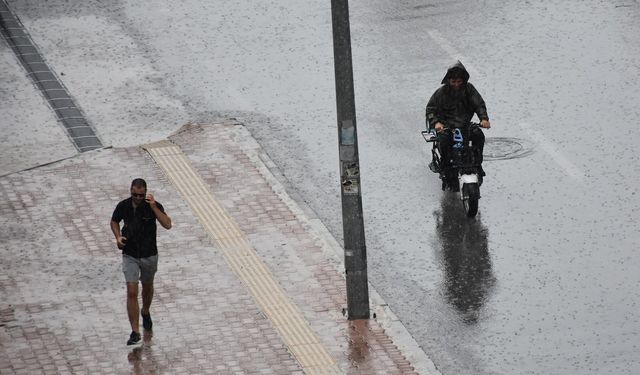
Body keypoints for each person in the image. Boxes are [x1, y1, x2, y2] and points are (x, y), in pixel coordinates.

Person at [110, 178, 172, 346]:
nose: (137, 198)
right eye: (134, 194)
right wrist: (117, 237)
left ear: (145, 193)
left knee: (147, 287)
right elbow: (114, 220)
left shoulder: (153, 205)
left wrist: (153, 207)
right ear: (130, 192)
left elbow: (167, 224)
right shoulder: (123, 205)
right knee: (131, 291)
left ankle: (145, 311)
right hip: (130, 254)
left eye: (140, 195)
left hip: (149, 254)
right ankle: (135, 331)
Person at [425, 60, 491, 178]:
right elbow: (431, 110)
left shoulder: (469, 89)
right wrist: (437, 123)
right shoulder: (441, 93)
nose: (456, 84)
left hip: (465, 125)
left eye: (459, 81)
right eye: (453, 81)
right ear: (449, 80)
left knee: (478, 135)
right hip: (446, 127)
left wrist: (484, 118)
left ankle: (477, 163)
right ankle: (445, 167)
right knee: (445, 141)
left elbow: (479, 104)